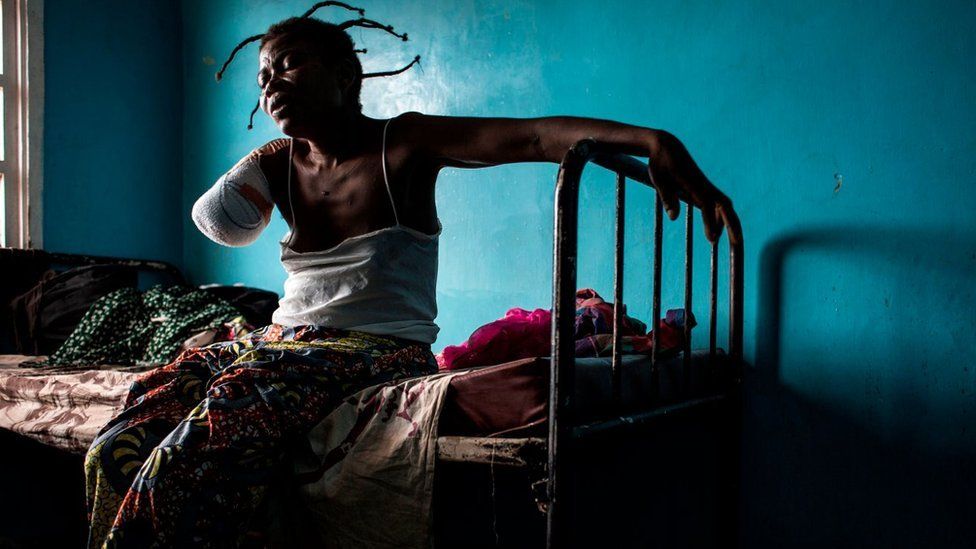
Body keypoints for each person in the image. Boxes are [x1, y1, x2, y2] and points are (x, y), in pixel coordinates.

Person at [84, 4, 739, 548]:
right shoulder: (281, 166)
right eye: (262, 78)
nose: (272, 85)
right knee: (117, 443)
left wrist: (649, 140)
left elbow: (535, 137)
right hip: (280, 343)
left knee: (193, 452)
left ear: (345, 76)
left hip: (371, 350)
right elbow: (219, 222)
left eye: (289, 64)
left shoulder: (405, 144)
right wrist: (266, 151)